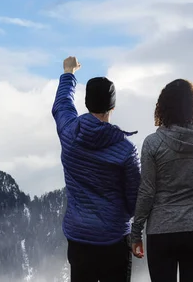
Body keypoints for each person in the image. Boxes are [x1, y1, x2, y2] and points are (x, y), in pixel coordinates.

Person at [52, 56, 141, 282]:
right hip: (114, 240)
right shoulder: (125, 149)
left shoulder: (69, 132)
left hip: (79, 239)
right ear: (112, 107)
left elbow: (62, 105)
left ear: (87, 103)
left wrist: (68, 73)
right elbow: (134, 200)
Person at [131, 79, 193, 282]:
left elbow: (147, 192)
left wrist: (136, 233)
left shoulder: (152, 143)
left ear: (163, 107)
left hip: (161, 231)